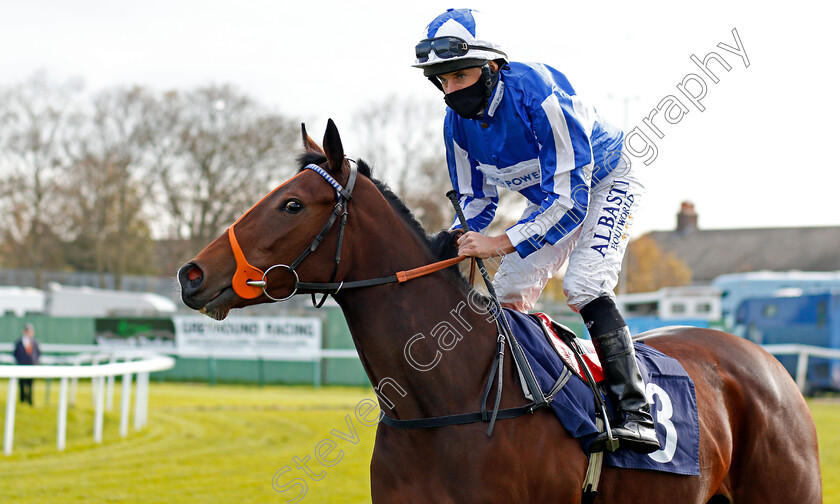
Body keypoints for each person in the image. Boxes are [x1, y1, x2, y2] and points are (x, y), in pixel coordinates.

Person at [413, 8, 659, 454]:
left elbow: (571, 202)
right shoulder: (456, 125)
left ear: (491, 66)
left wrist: (497, 242)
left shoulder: (537, 91)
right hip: (553, 199)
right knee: (508, 290)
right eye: (442, 81)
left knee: (584, 284)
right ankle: (525, 403)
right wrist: (447, 245)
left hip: (606, 181)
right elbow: (475, 202)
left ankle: (635, 412)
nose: (451, 90)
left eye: (460, 76)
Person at [13, 323, 40, 406]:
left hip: (31, 366)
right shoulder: (19, 342)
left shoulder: (35, 342)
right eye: (27, 331)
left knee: (31, 384)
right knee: (21, 384)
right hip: (21, 366)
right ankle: (22, 400)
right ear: (24, 331)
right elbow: (15, 353)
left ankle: (30, 400)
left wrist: (35, 362)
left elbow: (38, 353)